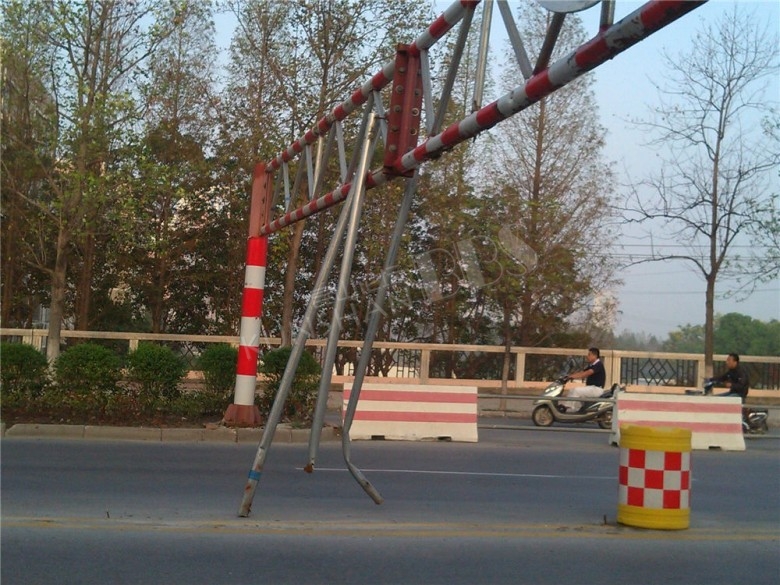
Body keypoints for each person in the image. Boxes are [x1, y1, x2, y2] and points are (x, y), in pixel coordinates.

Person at [560, 347, 606, 412]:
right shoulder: (592, 365)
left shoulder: (598, 365)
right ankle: (574, 411)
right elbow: (582, 372)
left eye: (589, 355)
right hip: (591, 388)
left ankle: (567, 407)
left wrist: (571, 377)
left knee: (576, 391)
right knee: (572, 390)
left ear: (595, 356)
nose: (587, 356)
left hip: (596, 389)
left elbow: (585, 374)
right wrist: (569, 376)